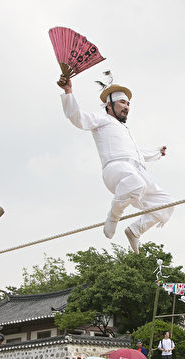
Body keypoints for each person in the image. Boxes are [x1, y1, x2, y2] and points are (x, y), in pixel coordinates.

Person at [58, 75, 173, 253]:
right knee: (135, 183)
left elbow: (136, 153)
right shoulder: (102, 120)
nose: (127, 107)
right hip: (115, 169)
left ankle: (135, 230)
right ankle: (113, 217)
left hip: (136, 170)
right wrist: (68, 92)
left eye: (128, 104)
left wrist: (157, 152)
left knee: (166, 202)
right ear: (109, 105)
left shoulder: (125, 130)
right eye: (122, 103)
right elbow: (77, 117)